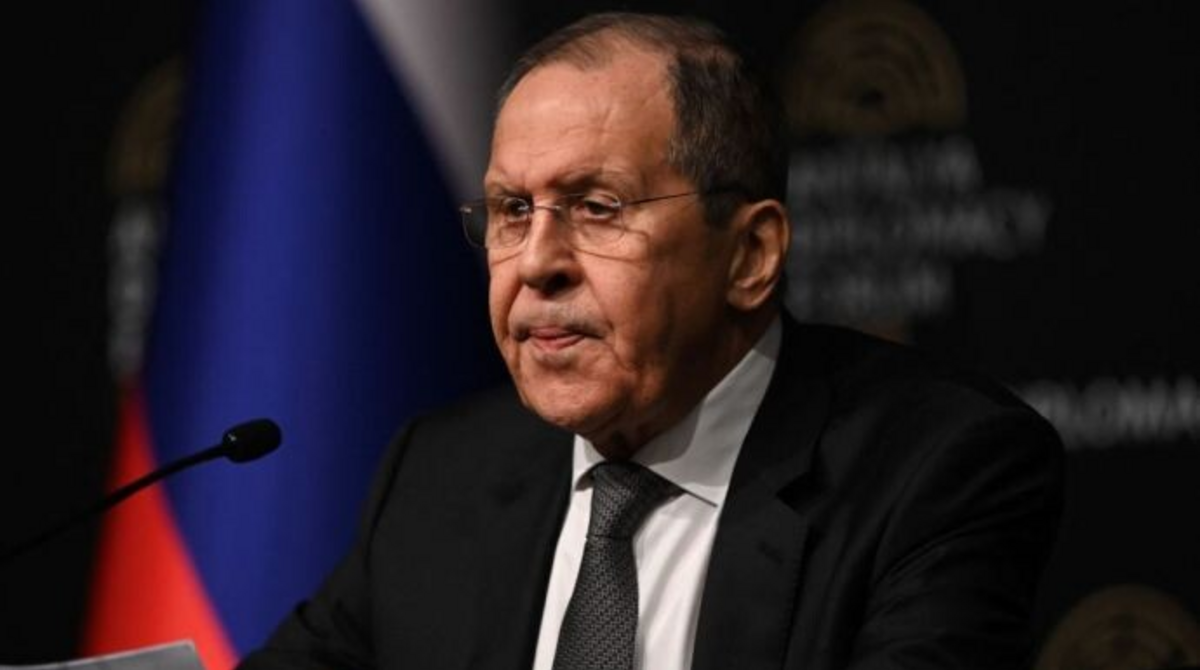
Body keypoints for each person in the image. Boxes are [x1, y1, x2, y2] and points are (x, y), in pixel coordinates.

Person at [240, 12, 1062, 670]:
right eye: (512, 211)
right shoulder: (440, 475)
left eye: (598, 208)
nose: (537, 264)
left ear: (750, 255)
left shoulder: (933, 471)